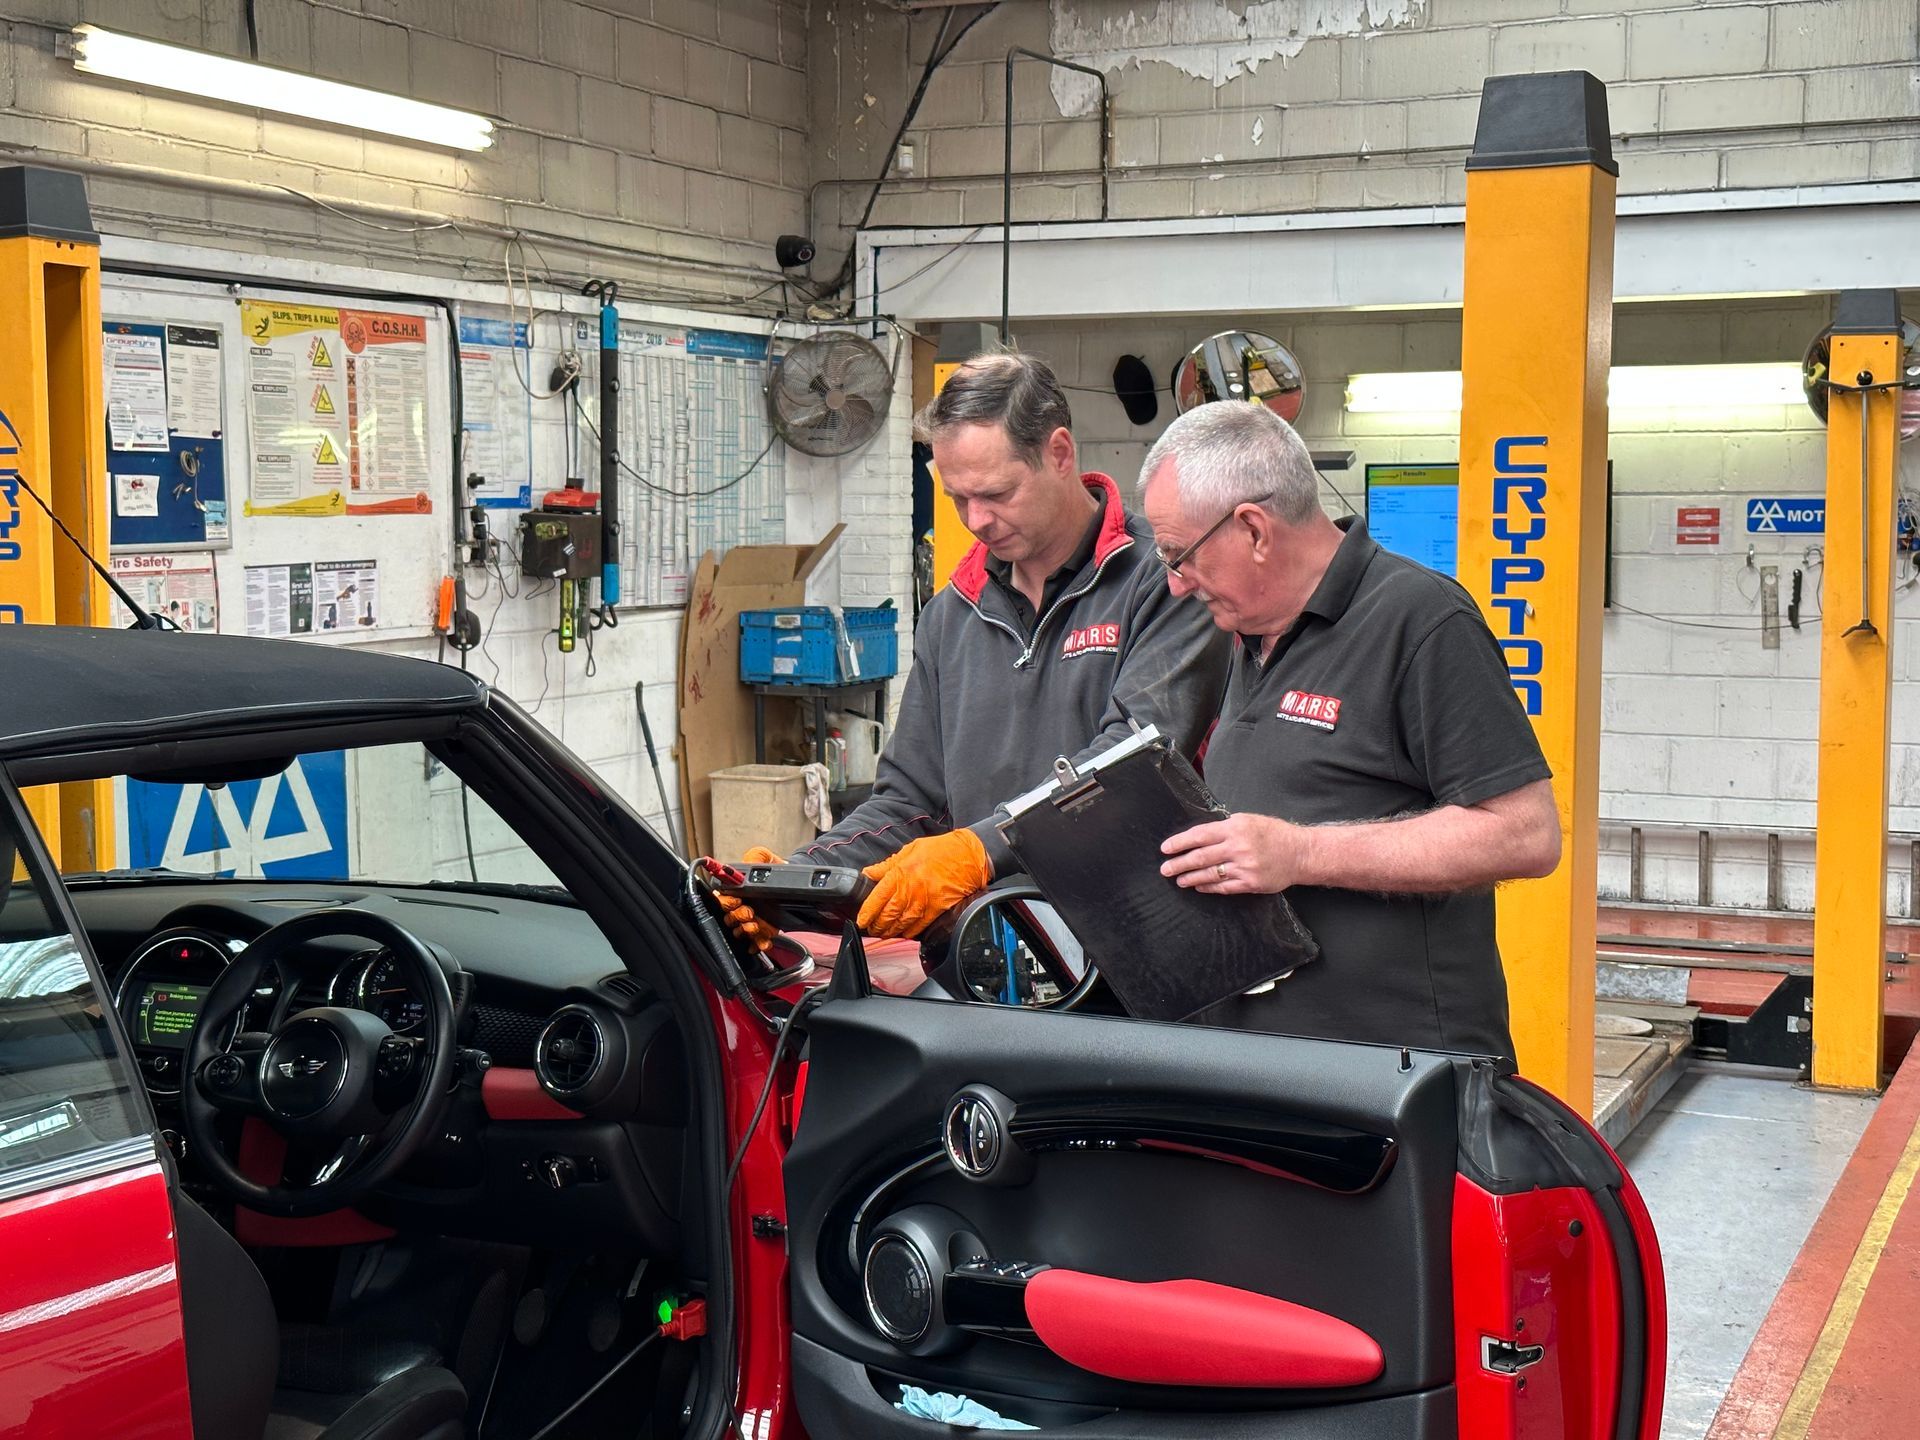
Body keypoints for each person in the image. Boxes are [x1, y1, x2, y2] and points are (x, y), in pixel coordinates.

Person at [724, 351, 1231, 945]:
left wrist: (981, 848)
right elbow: (910, 803)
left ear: (1059, 453)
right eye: (958, 498)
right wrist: (794, 879)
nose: (977, 519)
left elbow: (1132, 765)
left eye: (996, 493)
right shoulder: (951, 615)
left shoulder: (1166, 579)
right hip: (988, 950)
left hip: (1136, 946)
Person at [1141, 402, 1560, 1059]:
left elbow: (1525, 834)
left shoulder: (1423, 621)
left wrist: (1301, 853)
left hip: (1398, 1074)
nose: (1174, 585)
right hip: (1262, 1062)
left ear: (1253, 530)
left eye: (1180, 556)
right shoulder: (1239, 635)